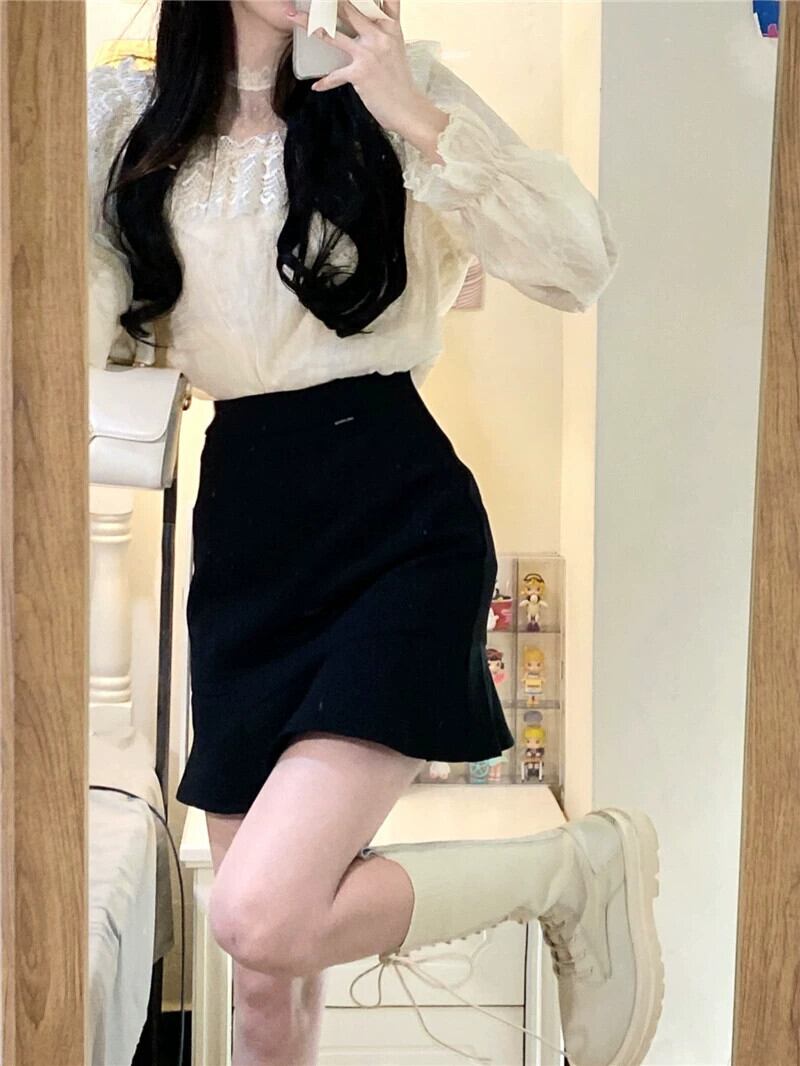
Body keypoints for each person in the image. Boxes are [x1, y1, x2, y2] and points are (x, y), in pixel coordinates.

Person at [87, 2, 663, 1063]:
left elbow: (577, 264)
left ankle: (565, 873)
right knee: (264, 989)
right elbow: (65, 318)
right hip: (244, 533)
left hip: (396, 516)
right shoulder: (126, 118)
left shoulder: (400, 91)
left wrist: (415, 115)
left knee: (257, 913)